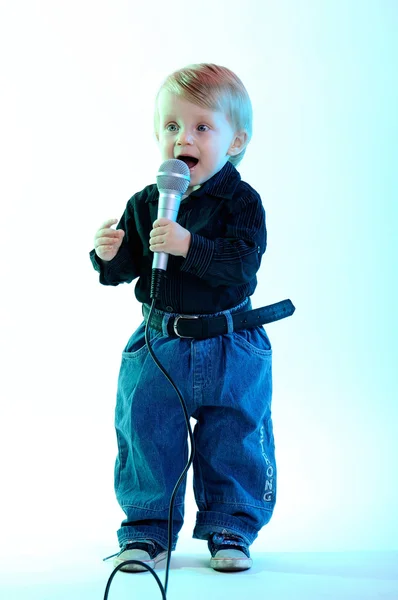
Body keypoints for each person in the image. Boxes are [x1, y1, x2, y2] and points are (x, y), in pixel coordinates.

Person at [90, 63, 276, 573]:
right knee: (147, 433)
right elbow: (124, 270)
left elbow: (241, 263)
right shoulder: (148, 202)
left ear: (235, 141)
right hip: (159, 342)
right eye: (171, 127)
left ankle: (231, 527)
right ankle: (148, 530)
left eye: (201, 127)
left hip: (229, 341)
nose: (182, 139)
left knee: (234, 436)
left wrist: (187, 245)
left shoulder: (243, 203)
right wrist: (108, 255)